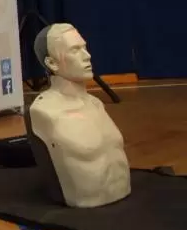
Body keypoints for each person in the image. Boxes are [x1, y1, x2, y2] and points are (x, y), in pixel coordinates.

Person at [25, 23, 131, 207]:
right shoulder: (45, 112)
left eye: (84, 47)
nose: (87, 55)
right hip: (88, 206)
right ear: (52, 63)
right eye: (75, 50)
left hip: (124, 196)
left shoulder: (96, 104)